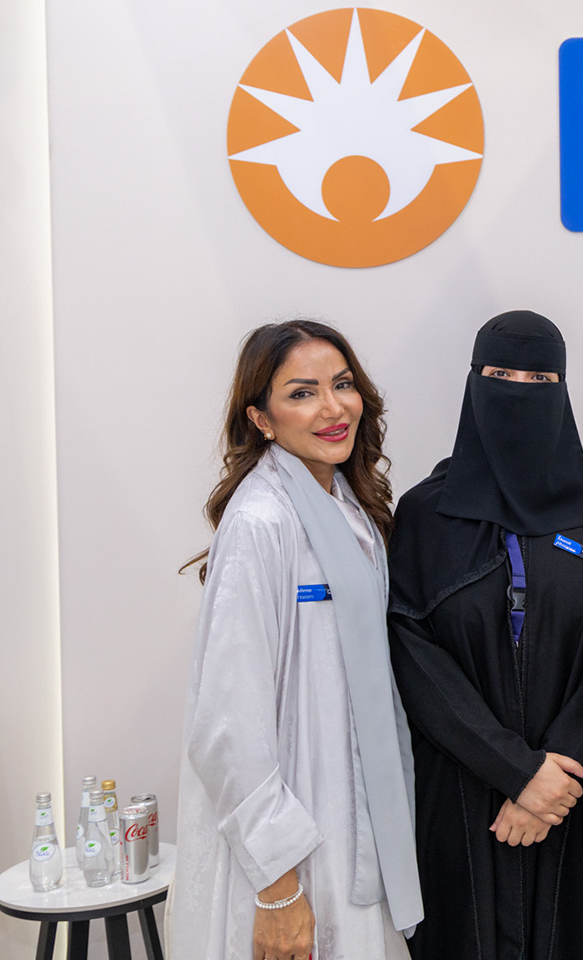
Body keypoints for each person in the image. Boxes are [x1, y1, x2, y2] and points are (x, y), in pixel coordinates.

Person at [170, 320, 421, 960]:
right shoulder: (261, 521)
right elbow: (226, 726)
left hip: (345, 815)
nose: (334, 408)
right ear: (261, 418)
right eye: (303, 393)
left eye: (342, 385)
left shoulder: (347, 506)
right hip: (286, 849)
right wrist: (279, 888)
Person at [387, 311, 583, 960]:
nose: (519, 388)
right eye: (500, 373)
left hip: (578, 790)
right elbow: (412, 653)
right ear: (473, 383)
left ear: (563, 389)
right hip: (464, 794)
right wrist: (515, 771)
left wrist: (557, 768)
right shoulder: (424, 512)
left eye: (538, 375)